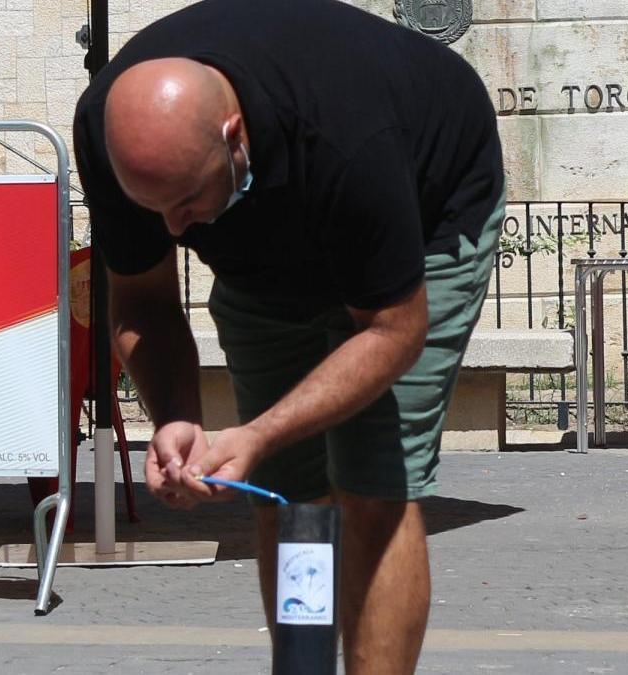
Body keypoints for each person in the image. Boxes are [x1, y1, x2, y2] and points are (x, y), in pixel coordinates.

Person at [72, 1, 504, 672]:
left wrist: (258, 431)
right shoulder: (111, 135)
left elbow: (394, 330)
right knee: (283, 487)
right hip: (269, 252)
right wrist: (181, 419)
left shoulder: (346, 134)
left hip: (429, 215)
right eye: (153, 209)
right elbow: (141, 301)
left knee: (374, 485)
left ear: (233, 135)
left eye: (186, 201)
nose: (176, 230)